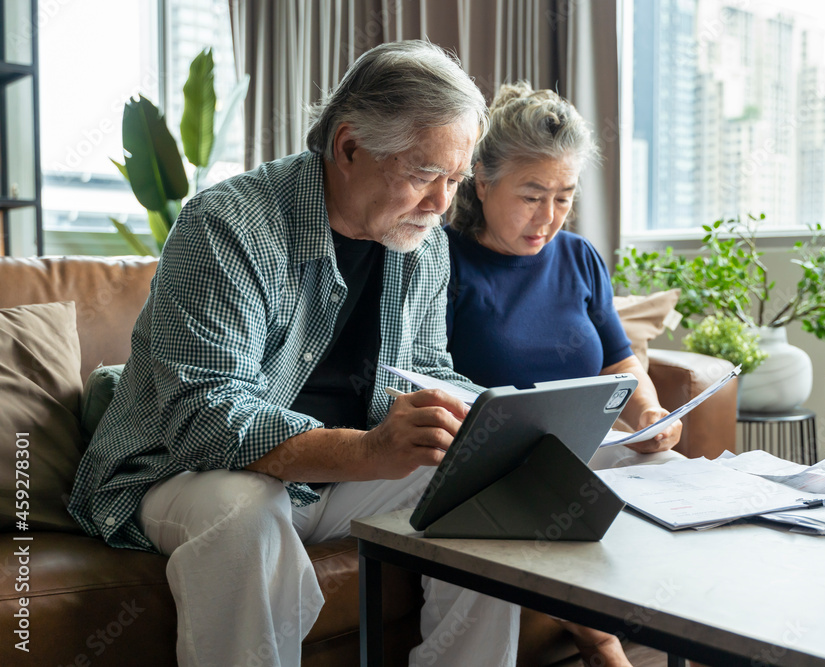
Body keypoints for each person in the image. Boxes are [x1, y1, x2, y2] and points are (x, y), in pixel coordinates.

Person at [69, 41, 521, 667]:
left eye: (455, 179)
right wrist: (367, 451)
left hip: (331, 477)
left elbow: (427, 368)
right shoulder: (226, 224)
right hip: (178, 472)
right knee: (247, 511)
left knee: (482, 483)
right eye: (424, 174)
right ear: (348, 146)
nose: (442, 203)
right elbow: (206, 417)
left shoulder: (422, 242)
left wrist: (488, 420)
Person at [445, 82, 684, 666]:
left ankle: (694, 644)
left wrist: (649, 412)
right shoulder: (440, 260)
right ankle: (602, 643)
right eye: (532, 196)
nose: (548, 217)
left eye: (563, 197)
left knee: (671, 474)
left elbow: (620, 361)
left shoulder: (579, 257)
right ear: (482, 181)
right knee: (553, 494)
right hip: (493, 460)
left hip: (580, 444)